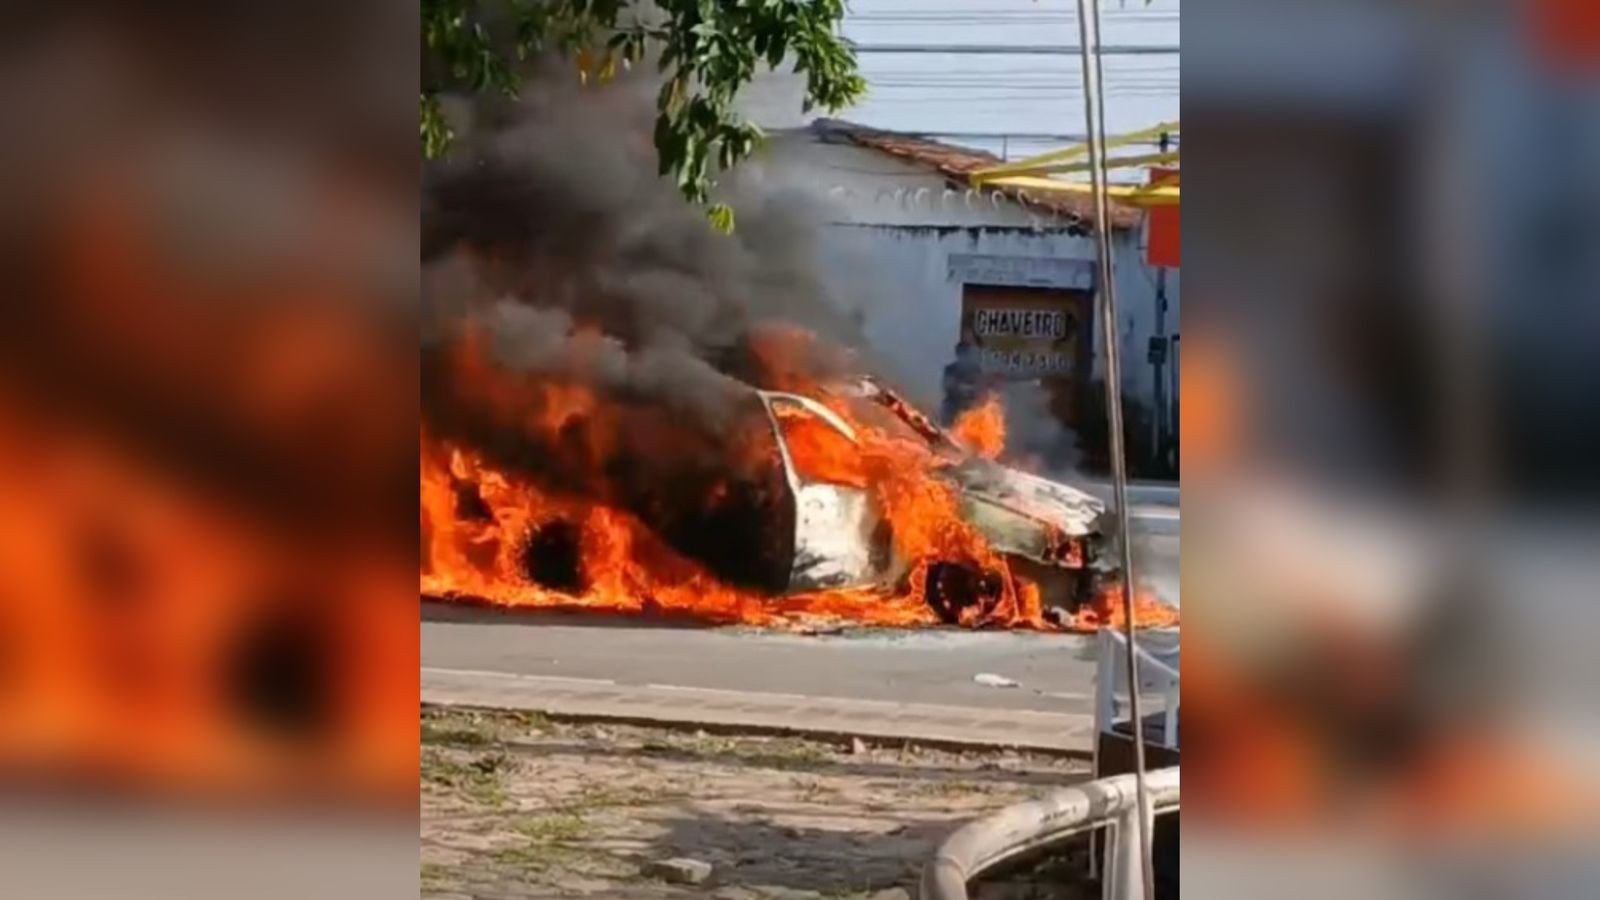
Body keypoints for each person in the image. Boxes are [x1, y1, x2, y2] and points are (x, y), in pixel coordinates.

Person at [941, 338, 983, 424]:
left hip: (968, 412)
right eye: (962, 352)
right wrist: (961, 389)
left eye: (967, 353)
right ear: (958, 353)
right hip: (951, 407)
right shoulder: (950, 369)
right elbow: (948, 387)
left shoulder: (976, 372)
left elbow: (979, 391)